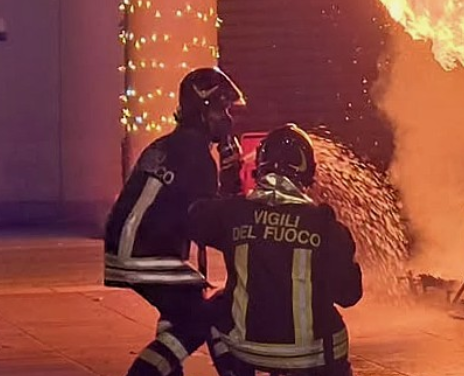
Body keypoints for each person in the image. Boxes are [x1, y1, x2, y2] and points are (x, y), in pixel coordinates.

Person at [104, 66, 247, 376]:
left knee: (185, 308)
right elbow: (210, 224)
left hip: (131, 246)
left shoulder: (171, 144)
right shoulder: (195, 154)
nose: (228, 119)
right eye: (222, 109)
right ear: (202, 110)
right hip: (145, 252)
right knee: (205, 316)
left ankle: (169, 370)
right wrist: (232, 179)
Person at [191, 124, 363, 376]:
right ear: (309, 172)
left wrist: (228, 180)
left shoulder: (234, 213)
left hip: (247, 350)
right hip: (316, 358)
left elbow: (196, 218)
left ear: (260, 166)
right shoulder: (325, 226)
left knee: (214, 305)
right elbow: (349, 295)